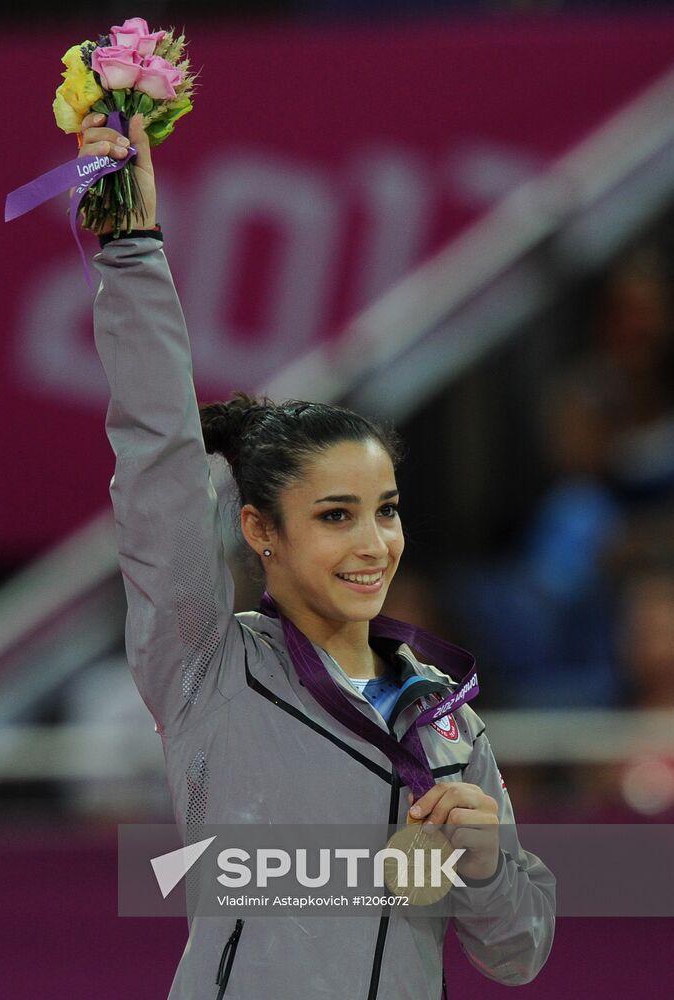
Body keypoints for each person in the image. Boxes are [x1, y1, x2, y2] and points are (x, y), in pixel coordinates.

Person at [82, 111, 555, 999]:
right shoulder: (207, 666)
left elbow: (517, 953)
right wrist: (132, 249)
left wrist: (488, 862)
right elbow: (158, 460)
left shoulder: (446, 718)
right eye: (335, 516)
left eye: (385, 511)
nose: (373, 543)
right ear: (261, 530)